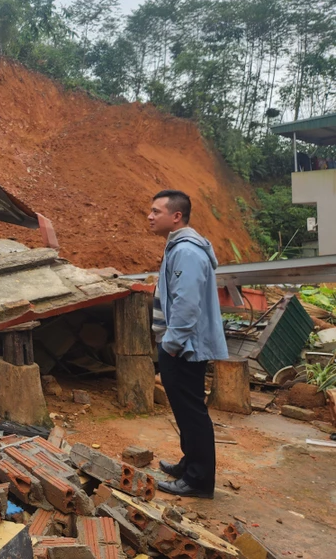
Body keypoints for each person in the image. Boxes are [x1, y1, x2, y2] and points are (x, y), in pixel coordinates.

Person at [148, 189, 228, 498]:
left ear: (176, 216)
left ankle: (198, 480)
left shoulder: (187, 252)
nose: (150, 216)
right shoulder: (180, 247)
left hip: (184, 347)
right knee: (185, 410)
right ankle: (190, 463)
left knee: (192, 411)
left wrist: (172, 343)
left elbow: (187, 303)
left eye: (157, 211)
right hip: (181, 344)